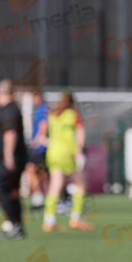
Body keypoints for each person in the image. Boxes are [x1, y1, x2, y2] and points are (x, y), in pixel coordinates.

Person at [42, 91, 94, 232]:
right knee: (81, 184)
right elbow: (79, 136)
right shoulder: (73, 115)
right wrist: (78, 153)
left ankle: (49, 220)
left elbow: (42, 135)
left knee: (55, 186)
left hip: (52, 152)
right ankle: (76, 218)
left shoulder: (52, 115)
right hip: (68, 152)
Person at [0, 80, 28, 240]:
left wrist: (8, 156)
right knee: (11, 192)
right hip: (4, 158)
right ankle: (17, 226)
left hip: (11, 159)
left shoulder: (10, 110)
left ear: (0, 92)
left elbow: (11, 133)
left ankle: (14, 223)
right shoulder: (5, 110)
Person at [25, 89, 50, 209]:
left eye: (35, 97)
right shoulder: (39, 110)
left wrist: (36, 142)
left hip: (42, 148)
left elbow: (43, 126)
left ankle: (38, 199)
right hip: (41, 148)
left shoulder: (43, 110)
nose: (33, 100)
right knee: (42, 173)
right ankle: (48, 199)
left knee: (30, 168)